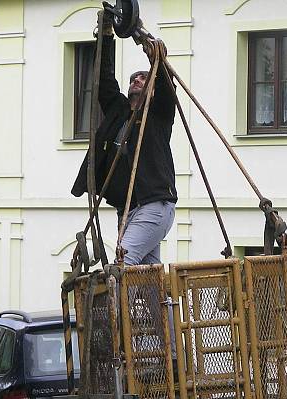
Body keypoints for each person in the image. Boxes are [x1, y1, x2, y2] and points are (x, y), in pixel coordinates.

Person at [71, 12, 177, 266]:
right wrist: (106, 35)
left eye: (142, 78)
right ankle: (162, 307)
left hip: (154, 205)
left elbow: (165, 88)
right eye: (132, 79)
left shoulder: (159, 114)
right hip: (127, 210)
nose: (136, 80)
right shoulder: (119, 111)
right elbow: (105, 81)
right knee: (148, 280)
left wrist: (157, 61)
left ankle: (111, 307)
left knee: (121, 267)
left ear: (151, 89)